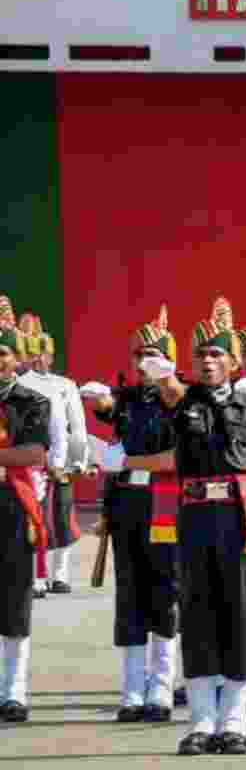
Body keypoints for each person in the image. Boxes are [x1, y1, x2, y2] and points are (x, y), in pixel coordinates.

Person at [97, 296, 246, 755]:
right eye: (201, 354)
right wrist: (162, 374)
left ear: (234, 362)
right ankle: (201, 719)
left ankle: (234, 719)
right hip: (195, 518)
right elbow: (175, 395)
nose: (208, 360)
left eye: (217, 354)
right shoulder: (182, 404)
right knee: (197, 614)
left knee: (239, 614)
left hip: (240, 519)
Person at [79, 305, 182, 722]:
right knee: (130, 594)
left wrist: (128, 462)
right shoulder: (129, 398)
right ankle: (132, 689)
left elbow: (178, 457)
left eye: (154, 355)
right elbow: (108, 407)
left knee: (164, 592)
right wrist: (94, 400)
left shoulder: (179, 401)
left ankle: (160, 687)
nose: (145, 362)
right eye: (140, 355)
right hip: (128, 504)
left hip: (165, 502)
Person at [0, 300, 53, 723]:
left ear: (17, 360)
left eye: (2, 353)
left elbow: (35, 452)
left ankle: (14, 690)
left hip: (12, 503)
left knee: (15, 598)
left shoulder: (32, 401)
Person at [17, 313, 88, 596]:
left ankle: (60, 575)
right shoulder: (20, 386)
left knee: (62, 519)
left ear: (51, 356)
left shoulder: (65, 385)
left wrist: (78, 460)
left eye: (42, 354)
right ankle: (37, 577)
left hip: (61, 464)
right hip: (31, 464)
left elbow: (77, 426)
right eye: (32, 354)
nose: (37, 360)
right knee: (35, 520)